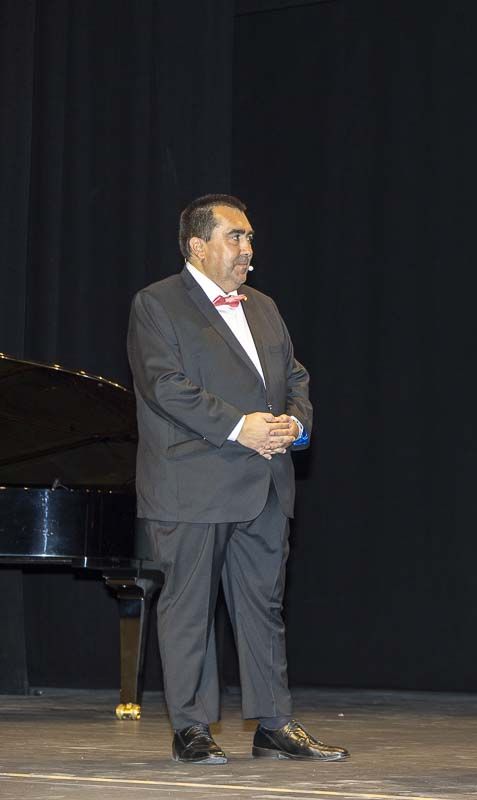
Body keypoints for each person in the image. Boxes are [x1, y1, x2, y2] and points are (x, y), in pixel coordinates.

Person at [126, 194, 347, 764]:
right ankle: (192, 729)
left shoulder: (264, 307)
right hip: (192, 484)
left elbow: (294, 375)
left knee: (263, 606)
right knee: (189, 609)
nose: (249, 249)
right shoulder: (156, 305)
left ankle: (273, 724)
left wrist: (294, 424)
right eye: (236, 237)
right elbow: (166, 386)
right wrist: (239, 427)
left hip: (265, 482)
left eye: (250, 238)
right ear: (198, 246)